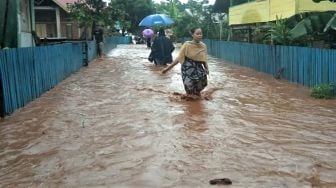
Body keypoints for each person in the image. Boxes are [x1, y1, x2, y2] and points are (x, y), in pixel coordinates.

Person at [162, 27, 209, 98]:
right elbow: (179, 58)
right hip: (187, 68)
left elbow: (204, 59)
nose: (200, 35)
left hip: (199, 68)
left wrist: (206, 68)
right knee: (189, 88)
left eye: (201, 34)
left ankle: (196, 96)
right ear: (192, 35)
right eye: (197, 34)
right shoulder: (187, 45)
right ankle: (190, 103)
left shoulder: (203, 46)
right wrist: (167, 69)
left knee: (203, 83)